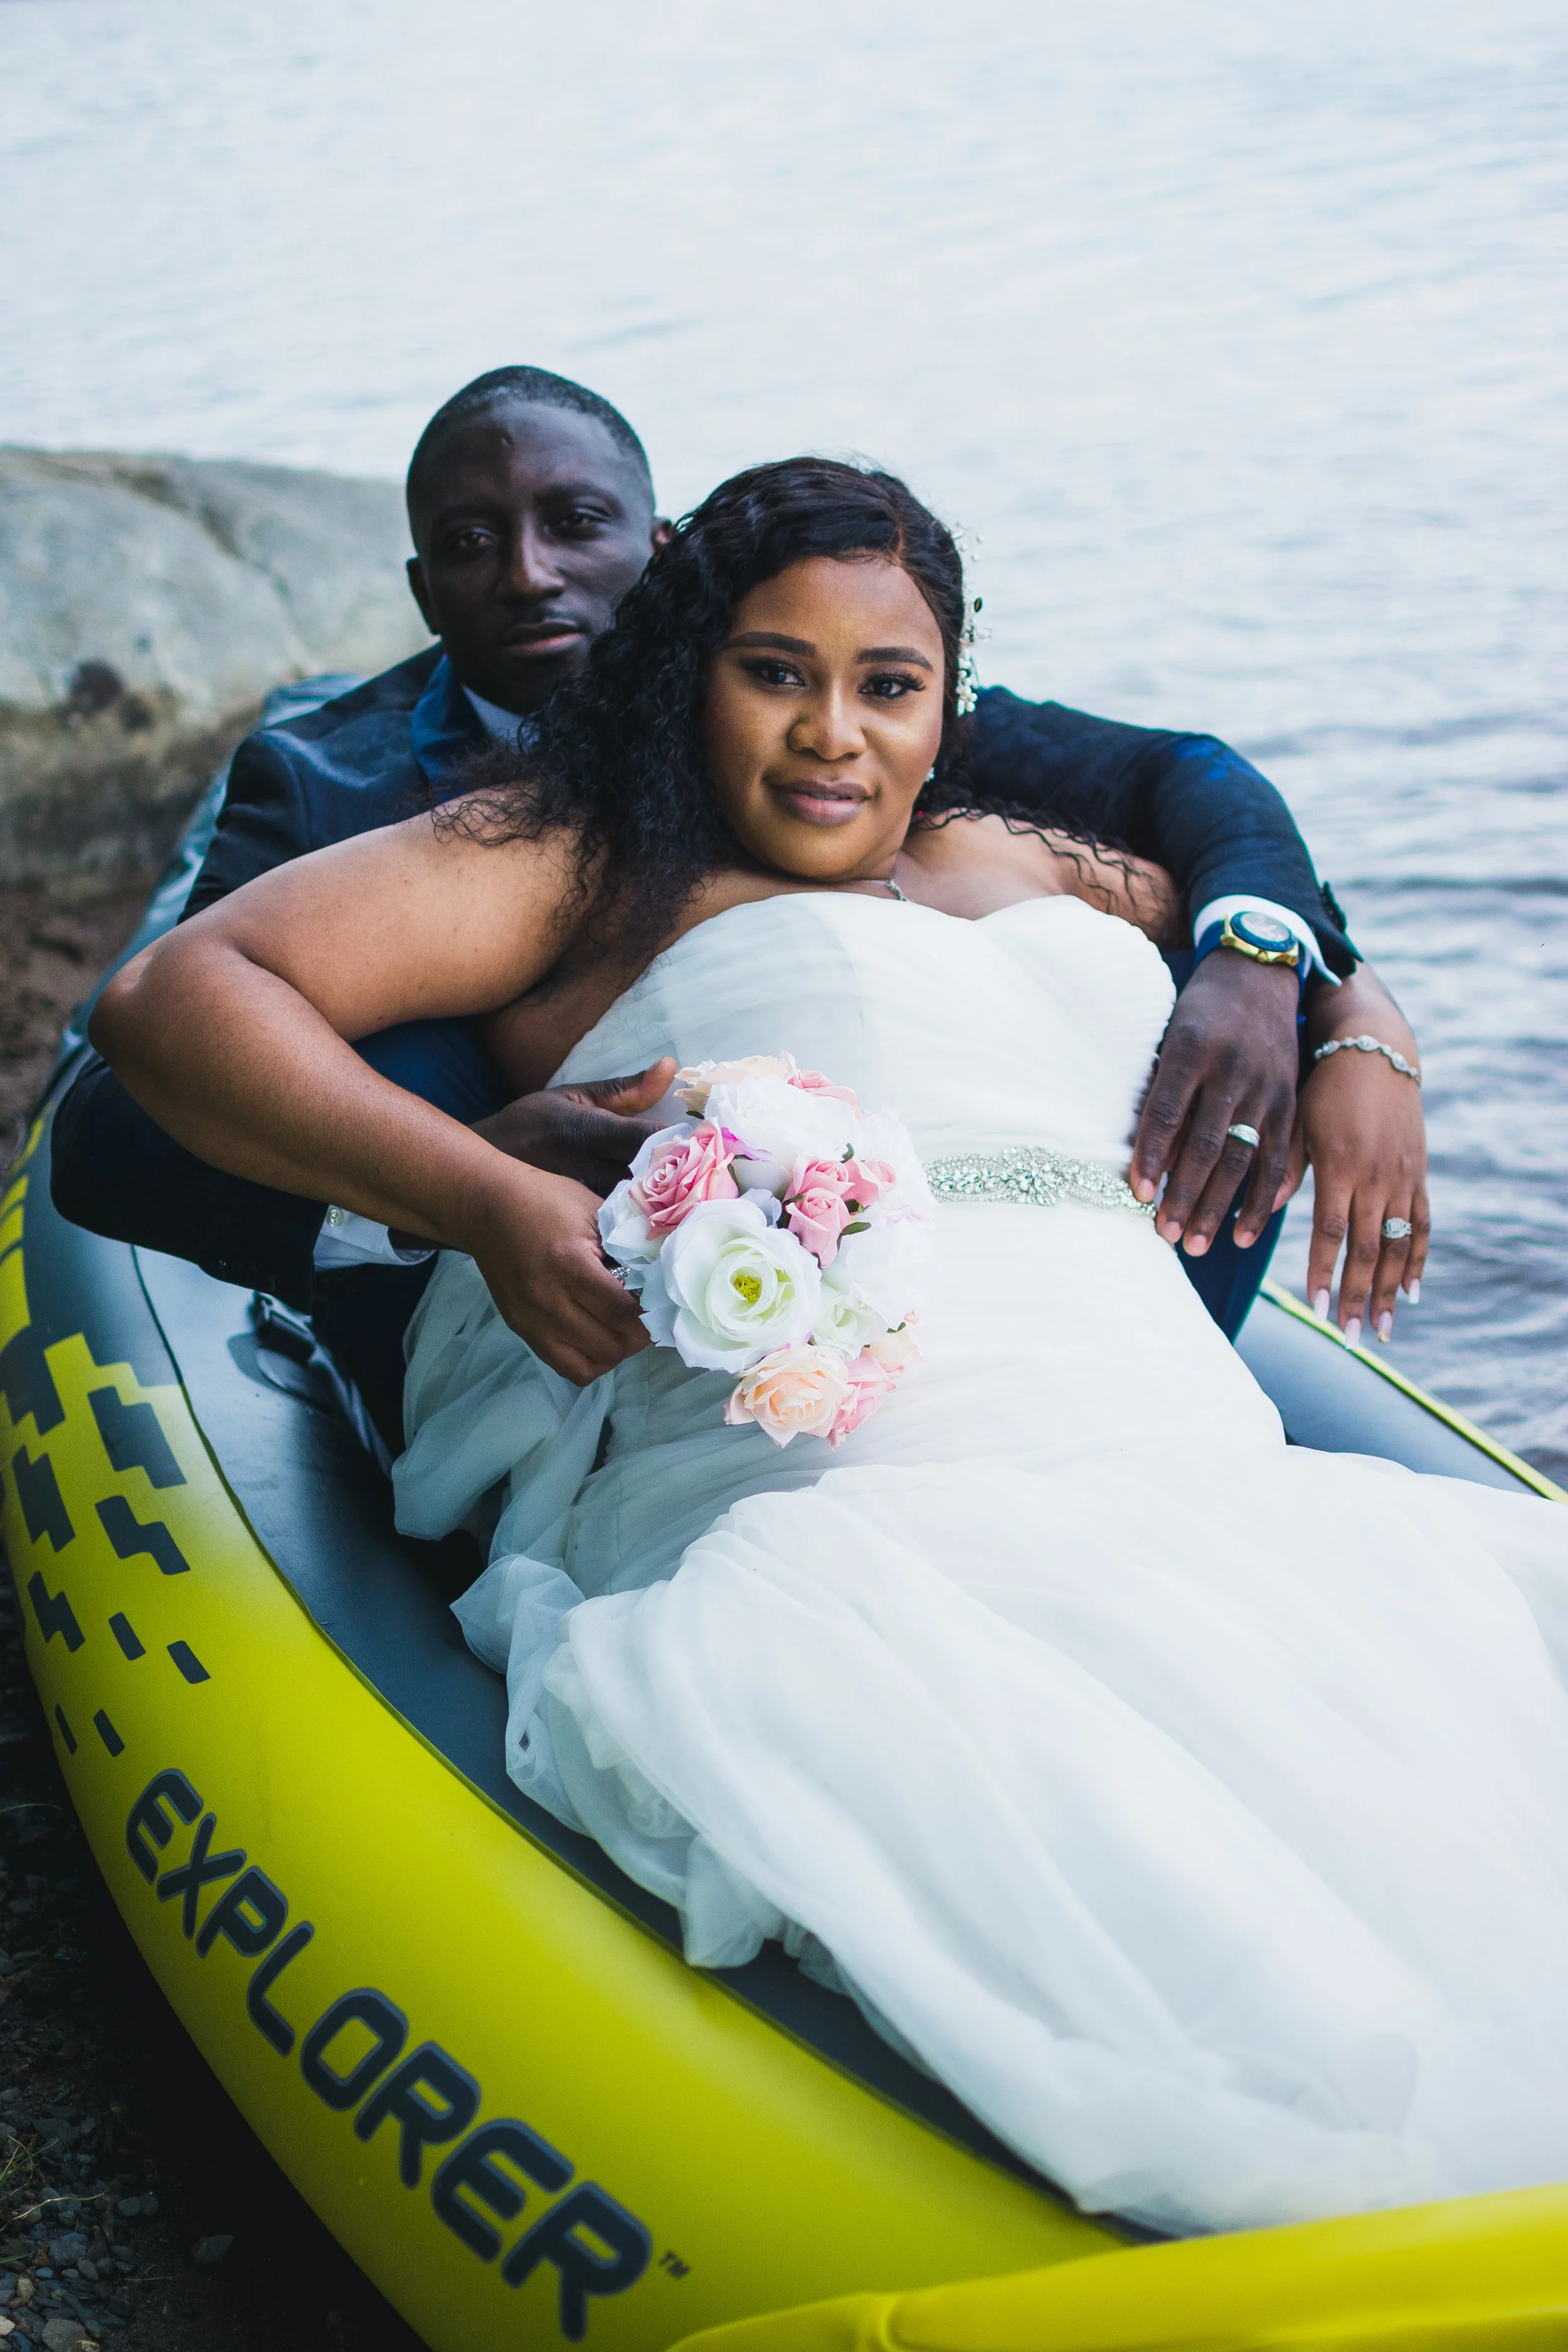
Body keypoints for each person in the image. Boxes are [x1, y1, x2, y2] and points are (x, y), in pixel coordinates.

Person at [90, 459, 1565, 2236]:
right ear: (685, 669)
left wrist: (1363, 1027)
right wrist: (478, 1192)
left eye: (888, 685)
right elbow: (178, 998)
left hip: (1155, 1420)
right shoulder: (576, 860)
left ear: (949, 705)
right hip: (851, 1470)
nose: (832, 736)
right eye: (772, 671)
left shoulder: (1027, 856)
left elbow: (1271, 914)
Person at [51, 369, 1424, 1457]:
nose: (528, 574)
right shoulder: (372, 798)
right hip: (556, 1321)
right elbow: (131, 1094)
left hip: (1092, 1355)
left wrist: (1345, 1019)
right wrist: (457, 1188)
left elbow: (1189, 791)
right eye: (472, 544)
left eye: (573, 525)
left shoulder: (917, 770)